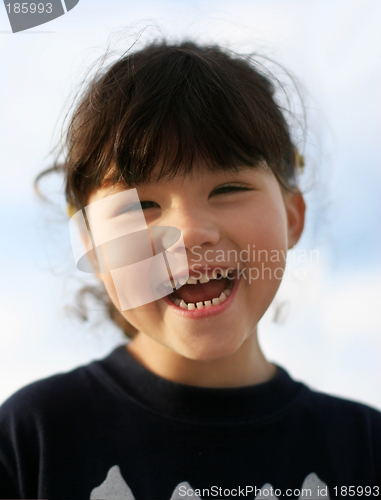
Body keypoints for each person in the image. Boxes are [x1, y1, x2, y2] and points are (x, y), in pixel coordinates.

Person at [0, 40, 380, 500]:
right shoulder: (32, 440)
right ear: (93, 248)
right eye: (140, 205)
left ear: (293, 216)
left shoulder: (364, 448)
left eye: (228, 187)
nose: (189, 232)